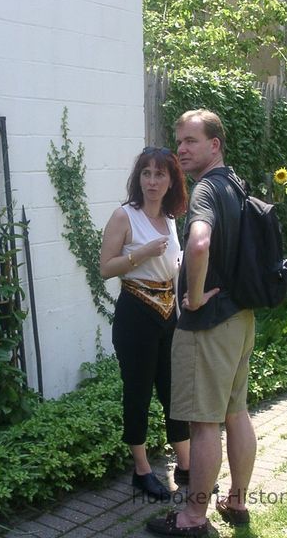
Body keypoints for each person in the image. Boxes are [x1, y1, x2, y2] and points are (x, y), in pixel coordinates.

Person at [147, 110, 256, 537]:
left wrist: (191, 297)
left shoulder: (207, 190)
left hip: (209, 323)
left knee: (203, 423)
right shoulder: (236, 185)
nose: (182, 149)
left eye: (192, 140)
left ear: (215, 145)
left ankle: (193, 518)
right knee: (236, 411)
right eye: (180, 141)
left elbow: (199, 242)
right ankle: (237, 501)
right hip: (240, 317)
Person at [100, 146, 191, 500]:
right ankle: (141, 471)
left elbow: (173, 265)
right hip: (135, 314)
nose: (152, 181)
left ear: (171, 181)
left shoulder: (170, 218)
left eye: (160, 174)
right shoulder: (124, 216)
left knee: (174, 391)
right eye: (146, 174)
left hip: (169, 315)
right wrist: (140, 253)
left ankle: (184, 466)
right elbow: (106, 268)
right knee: (137, 393)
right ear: (138, 179)